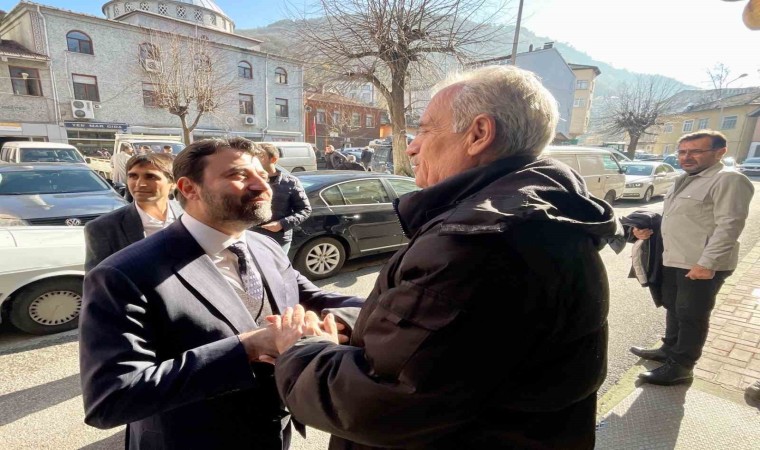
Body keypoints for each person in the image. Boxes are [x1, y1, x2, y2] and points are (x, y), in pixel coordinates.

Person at [266, 65, 620, 449]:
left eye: (424, 130)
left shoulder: (478, 244)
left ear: (479, 134)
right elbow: (449, 352)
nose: (412, 147)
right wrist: (358, 326)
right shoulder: (536, 219)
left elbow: (380, 405)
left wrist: (302, 347)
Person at [78, 137, 362, 449]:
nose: (262, 187)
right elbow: (110, 399)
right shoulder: (122, 274)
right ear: (189, 188)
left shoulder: (265, 246)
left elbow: (316, 299)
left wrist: (339, 323)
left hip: (273, 435)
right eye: (239, 175)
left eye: (263, 176)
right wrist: (249, 347)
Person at [630, 130, 754, 386]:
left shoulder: (728, 179)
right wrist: (646, 229)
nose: (686, 157)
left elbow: (730, 225)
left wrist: (707, 264)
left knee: (692, 314)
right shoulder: (683, 179)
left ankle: (682, 366)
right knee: (673, 307)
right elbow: (678, 216)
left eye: (696, 151)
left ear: (720, 152)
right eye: (683, 152)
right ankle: (669, 349)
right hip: (675, 257)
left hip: (700, 263)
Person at [84, 153, 183, 272]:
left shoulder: (191, 215)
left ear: (173, 183)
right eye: (133, 176)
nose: (140, 184)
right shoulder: (103, 228)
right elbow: (98, 280)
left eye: (150, 177)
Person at [254, 143, 312, 254]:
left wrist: (282, 224)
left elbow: (305, 210)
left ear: (273, 159)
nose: (255, 159)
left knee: (274, 265)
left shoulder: (290, 182)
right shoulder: (250, 181)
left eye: (260, 156)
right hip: (252, 236)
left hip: (278, 239)